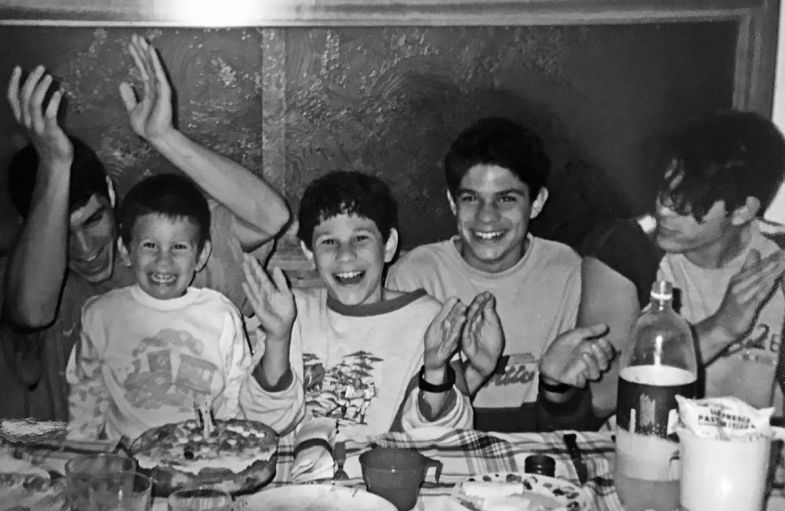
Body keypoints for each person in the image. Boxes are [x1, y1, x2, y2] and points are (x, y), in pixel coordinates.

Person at [1, 34, 290, 421]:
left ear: (110, 194)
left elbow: (270, 217)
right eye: (65, 233)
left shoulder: (165, 240)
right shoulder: (33, 277)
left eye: (94, 219)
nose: (85, 248)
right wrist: (55, 165)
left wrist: (163, 136)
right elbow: (30, 314)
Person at [386, 117, 614, 432]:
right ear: (452, 202)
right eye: (471, 198)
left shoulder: (568, 272)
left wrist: (556, 385)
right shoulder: (414, 278)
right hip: (442, 451)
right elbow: (399, 422)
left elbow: (574, 425)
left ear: (536, 203)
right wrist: (475, 373)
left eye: (506, 199)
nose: (487, 216)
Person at [239, 171, 485, 440]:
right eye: (329, 242)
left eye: (360, 239)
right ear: (309, 253)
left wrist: (436, 371)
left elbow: (450, 435)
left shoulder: (426, 319)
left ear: (388, 246)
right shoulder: (290, 313)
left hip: (387, 464)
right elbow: (263, 426)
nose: (345, 255)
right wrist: (277, 338)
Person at [582, 110, 785, 411]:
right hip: (647, 434)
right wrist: (720, 328)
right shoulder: (626, 248)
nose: (663, 210)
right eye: (664, 190)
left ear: (742, 211)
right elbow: (599, 397)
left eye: (688, 201)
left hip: (749, 438)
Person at [66, 174, 253, 441]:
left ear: (201, 255)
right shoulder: (101, 315)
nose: (163, 261)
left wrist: (226, 447)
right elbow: (85, 399)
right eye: (150, 246)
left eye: (178, 247)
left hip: (204, 454)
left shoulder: (221, 314)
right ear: (126, 251)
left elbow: (237, 393)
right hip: (127, 458)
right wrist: (84, 452)